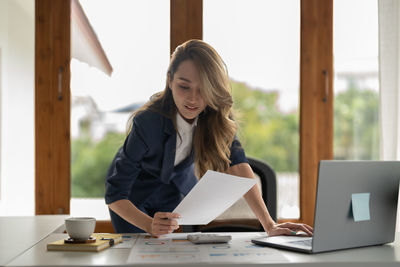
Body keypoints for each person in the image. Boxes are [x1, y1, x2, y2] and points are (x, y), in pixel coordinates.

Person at [105, 39, 313, 237]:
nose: (193, 99)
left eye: (203, 89)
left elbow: (239, 167)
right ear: (170, 80)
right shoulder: (147, 122)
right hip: (130, 201)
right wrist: (148, 224)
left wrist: (270, 224)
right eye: (184, 86)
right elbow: (115, 194)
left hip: (172, 195)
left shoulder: (216, 117)